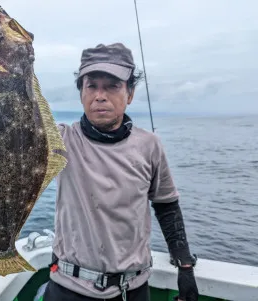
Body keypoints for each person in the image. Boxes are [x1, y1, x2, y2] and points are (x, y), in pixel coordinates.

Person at [42, 43, 199, 301]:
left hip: (133, 290)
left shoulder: (149, 145)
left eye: (112, 86)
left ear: (130, 93)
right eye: (91, 86)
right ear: (81, 93)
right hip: (68, 288)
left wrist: (184, 265)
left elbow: (166, 204)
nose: (100, 96)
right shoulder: (59, 140)